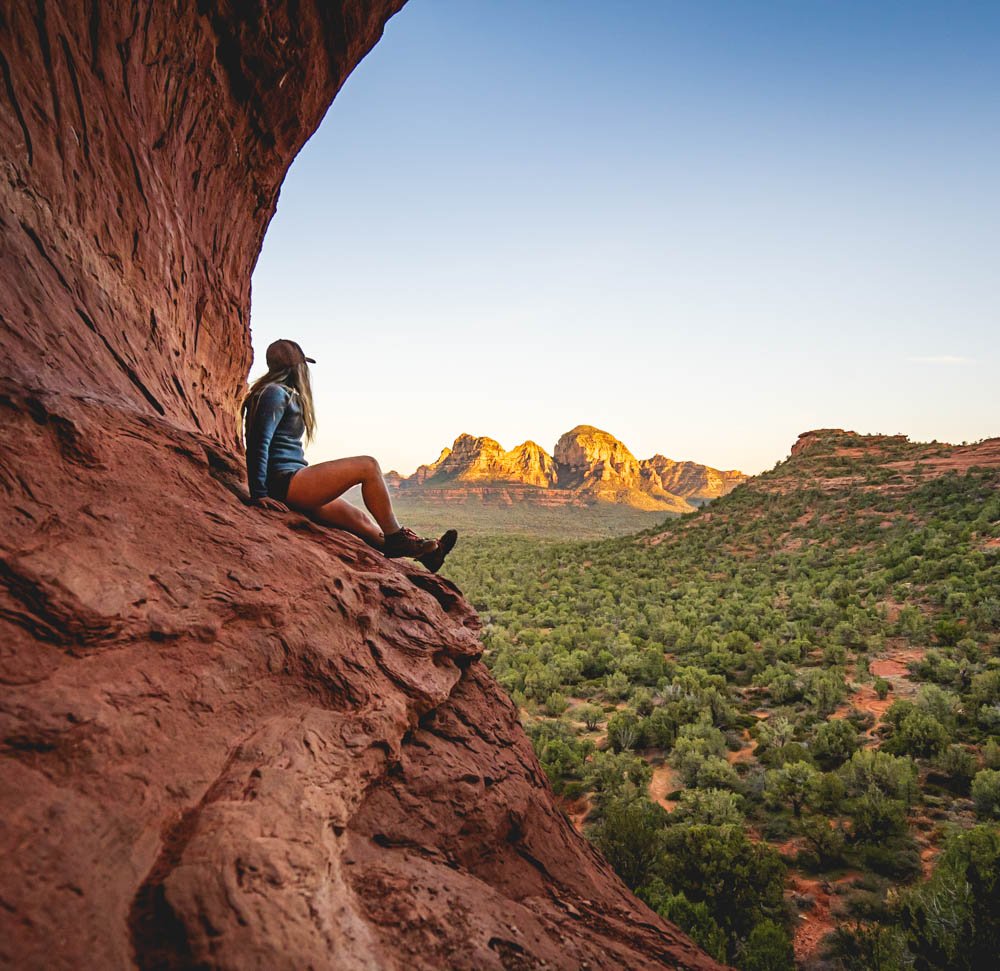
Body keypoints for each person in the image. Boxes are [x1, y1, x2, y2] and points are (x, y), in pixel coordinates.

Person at [243, 339, 456, 572]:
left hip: (295, 483)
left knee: (364, 524)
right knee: (368, 466)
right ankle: (396, 536)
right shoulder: (275, 393)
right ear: (297, 368)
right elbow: (258, 443)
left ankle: (430, 554)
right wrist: (259, 494)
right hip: (286, 483)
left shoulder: (280, 393)